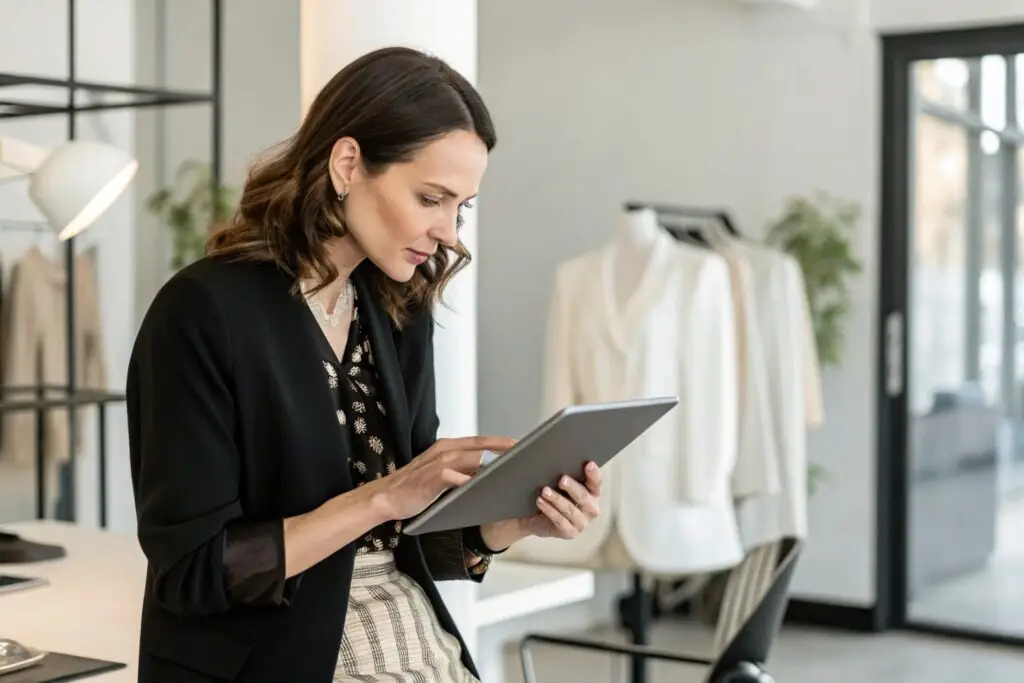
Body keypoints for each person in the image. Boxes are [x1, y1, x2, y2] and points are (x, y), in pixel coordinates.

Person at [125, 46, 603, 683]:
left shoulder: (397, 308)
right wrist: (380, 498)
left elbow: (413, 535)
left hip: (416, 647)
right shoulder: (202, 313)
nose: (450, 233)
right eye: (431, 198)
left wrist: (509, 523)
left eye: (461, 207)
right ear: (348, 163)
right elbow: (194, 572)